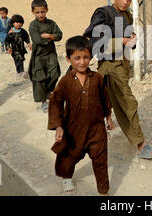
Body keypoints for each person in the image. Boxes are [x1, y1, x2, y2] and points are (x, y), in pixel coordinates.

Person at [83, 0, 152, 160]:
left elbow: (128, 37)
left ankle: (103, 127)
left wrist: (131, 39)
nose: (125, 2)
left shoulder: (127, 15)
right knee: (127, 102)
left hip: (122, 64)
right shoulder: (103, 14)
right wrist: (122, 42)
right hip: (109, 66)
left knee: (108, 101)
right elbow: (96, 43)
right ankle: (141, 146)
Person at [48, 36, 114, 195]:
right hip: (73, 128)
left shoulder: (97, 78)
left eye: (85, 57)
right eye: (77, 58)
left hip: (96, 128)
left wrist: (109, 117)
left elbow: (105, 98)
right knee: (70, 156)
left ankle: (103, 191)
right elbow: (56, 101)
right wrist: (58, 126)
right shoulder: (65, 81)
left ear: (90, 57)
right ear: (68, 58)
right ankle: (66, 177)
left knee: (100, 160)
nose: (82, 62)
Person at [28, 0, 63, 113]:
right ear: (33, 12)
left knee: (55, 73)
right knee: (40, 77)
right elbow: (37, 39)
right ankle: (44, 101)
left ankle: (48, 91)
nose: (40, 14)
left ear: (46, 10)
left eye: (42, 12)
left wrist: (49, 36)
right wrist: (51, 37)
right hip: (38, 55)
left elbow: (59, 35)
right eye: (37, 12)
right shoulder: (33, 25)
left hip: (50, 53)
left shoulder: (51, 23)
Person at [5, 14, 32, 78]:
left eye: (20, 22)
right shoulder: (11, 32)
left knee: (21, 59)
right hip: (14, 49)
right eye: (16, 22)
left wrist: (28, 43)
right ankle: (20, 71)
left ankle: (20, 71)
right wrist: (8, 48)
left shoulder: (23, 31)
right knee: (18, 59)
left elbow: (26, 37)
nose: (18, 24)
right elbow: (7, 40)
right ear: (13, 23)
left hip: (21, 48)